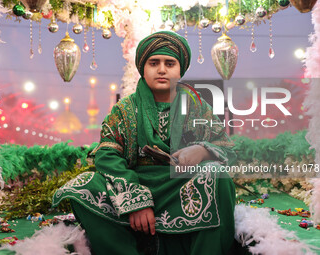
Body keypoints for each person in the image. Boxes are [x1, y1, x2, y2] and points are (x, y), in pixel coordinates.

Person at [52, 31, 237, 255]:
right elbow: (107, 156)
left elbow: (227, 149)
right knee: (83, 186)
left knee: (218, 174)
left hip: (180, 188)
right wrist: (135, 199)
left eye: (169, 63)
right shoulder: (125, 109)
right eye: (153, 63)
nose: (161, 69)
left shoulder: (197, 107)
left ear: (181, 70)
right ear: (143, 68)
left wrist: (203, 151)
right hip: (135, 182)